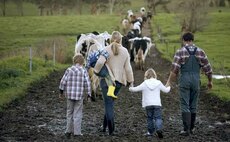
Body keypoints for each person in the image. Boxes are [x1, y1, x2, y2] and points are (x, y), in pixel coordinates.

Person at [166, 32, 213, 136]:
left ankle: (186, 129)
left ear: (183, 40)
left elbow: (174, 70)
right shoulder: (201, 52)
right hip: (196, 80)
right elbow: (208, 69)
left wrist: (169, 82)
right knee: (193, 104)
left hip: (185, 80)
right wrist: (210, 81)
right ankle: (192, 128)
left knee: (184, 104)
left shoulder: (180, 51)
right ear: (192, 40)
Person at [94, 31, 134, 135]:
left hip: (106, 81)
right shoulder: (125, 51)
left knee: (108, 103)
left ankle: (111, 128)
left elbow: (99, 62)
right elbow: (128, 68)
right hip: (118, 82)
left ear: (111, 39)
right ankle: (104, 127)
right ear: (120, 39)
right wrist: (130, 81)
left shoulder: (106, 49)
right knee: (110, 103)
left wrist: (96, 71)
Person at [129, 68, 170, 139]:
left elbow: (135, 89)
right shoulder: (159, 82)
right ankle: (158, 129)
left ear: (146, 75)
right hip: (157, 104)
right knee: (158, 118)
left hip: (148, 104)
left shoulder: (145, 83)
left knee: (150, 118)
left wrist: (130, 87)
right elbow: (166, 90)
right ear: (154, 75)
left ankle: (150, 132)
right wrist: (169, 86)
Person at [59, 53, 91, 138]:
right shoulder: (84, 71)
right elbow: (88, 83)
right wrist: (89, 94)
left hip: (69, 95)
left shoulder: (69, 70)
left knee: (69, 113)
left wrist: (61, 92)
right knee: (78, 113)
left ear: (74, 61)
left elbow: (63, 82)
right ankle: (77, 133)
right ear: (82, 62)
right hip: (79, 96)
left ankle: (68, 131)